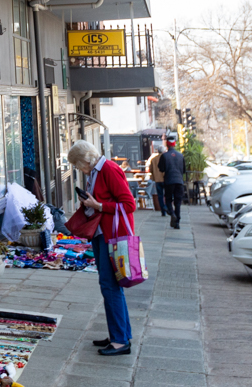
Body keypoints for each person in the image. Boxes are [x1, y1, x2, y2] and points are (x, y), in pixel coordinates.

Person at [69, 139, 136, 356]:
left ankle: (119, 341)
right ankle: (120, 335)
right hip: (101, 234)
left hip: (111, 236)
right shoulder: (97, 171)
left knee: (110, 286)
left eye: (78, 164)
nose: (79, 169)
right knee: (110, 286)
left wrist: (98, 206)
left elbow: (129, 204)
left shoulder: (108, 169)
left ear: (86, 159)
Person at [158, 138, 186, 229]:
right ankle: (177, 222)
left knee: (169, 199)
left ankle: (172, 213)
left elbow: (161, 168)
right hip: (179, 181)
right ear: (174, 144)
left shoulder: (164, 156)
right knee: (177, 202)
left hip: (169, 181)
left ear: (167, 144)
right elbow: (184, 170)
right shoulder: (180, 155)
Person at [147, 146, 167, 216]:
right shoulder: (166, 158)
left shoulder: (153, 159)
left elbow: (151, 170)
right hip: (165, 179)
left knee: (160, 195)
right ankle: (166, 207)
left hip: (157, 180)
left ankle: (162, 210)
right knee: (167, 194)